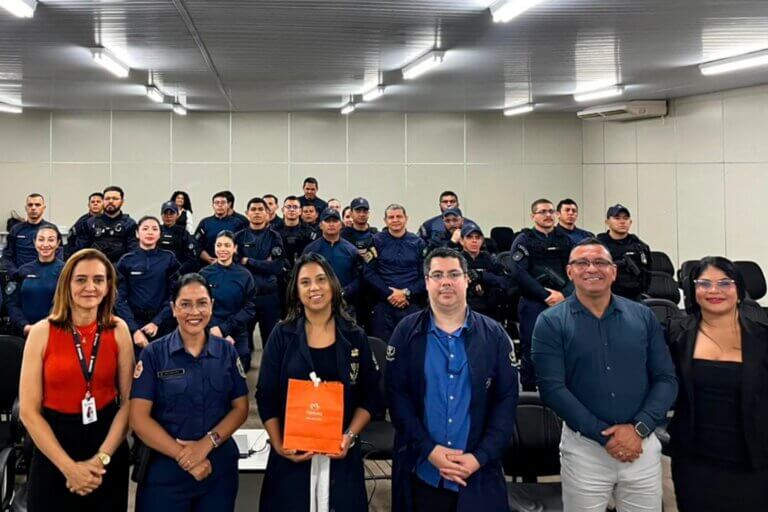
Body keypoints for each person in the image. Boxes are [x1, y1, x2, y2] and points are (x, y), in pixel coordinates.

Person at [532, 238, 678, 512]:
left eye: (600, 262)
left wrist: (640, 428)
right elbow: (552, 389)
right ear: (570, 271)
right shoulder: (550, 322)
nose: (592, 268)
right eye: (582, 263)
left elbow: (665, 378)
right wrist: (605, 437)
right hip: (584, 449)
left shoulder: (643, 316)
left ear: (613, 271)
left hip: (641, 445)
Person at [386, 247, 519, 512]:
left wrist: (479, 457)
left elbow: (505, 403)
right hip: (422, 470)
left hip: (478, 474)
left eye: (454, 274)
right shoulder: (406, 332)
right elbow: (397, 398)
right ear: (426, 282)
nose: (446, 281)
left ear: (467, 279)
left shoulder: (494, 335)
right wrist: (429, 450)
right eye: (437, 275)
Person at [256, 253, 382, 512]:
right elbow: (265, 395)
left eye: (321, 279)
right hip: (292, 456)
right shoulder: (282, 335)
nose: (314, 287)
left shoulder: (354, 336)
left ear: (333, 284)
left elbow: (371, 397)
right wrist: (279, 445)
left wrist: (349, 436)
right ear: (296, 290)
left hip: (341, 456)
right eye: (305, 282)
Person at [19, 248, 134, 511]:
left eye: (98, 279)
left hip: (105, 442)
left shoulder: (118, 330)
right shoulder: (41, 332)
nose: (90, 287)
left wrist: (100, 460)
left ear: (108, 286)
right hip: (53, 444)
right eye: (81, 279)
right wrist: (69, 468)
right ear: (67, 284)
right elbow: (28, 411)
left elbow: (129, 402)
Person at [130, 273, 249, 512]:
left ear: (211, 306)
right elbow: (138, 418)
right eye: (185, 304)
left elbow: (241, 408)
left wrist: (205, 444)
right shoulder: (154, 354)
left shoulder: (227, 352)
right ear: (173, 309)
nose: (194, 312)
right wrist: (184, 456)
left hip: (216, 469)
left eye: (202, 303)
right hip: (165, 470)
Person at [666, 256, 768, 511]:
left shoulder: (763, 338)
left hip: (754, 459)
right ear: (693, 290)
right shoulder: (676, 336)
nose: (714, 291)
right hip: (694, 461)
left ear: (739, 289)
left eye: (724, 283)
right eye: (704, 283)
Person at [510, 198, 573, 390]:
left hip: (562, 302)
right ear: (533, 216)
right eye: (543, 212)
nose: (548, 215)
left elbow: (577, 270)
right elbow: (519, 273)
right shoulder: (523, 240)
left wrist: (564, 294)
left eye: (551, 211)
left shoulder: (565, 240)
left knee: (564, 347)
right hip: (534, 302)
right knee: (532, 348)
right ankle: (529, 392)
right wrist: (545, 295)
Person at [115, 216, 180, 354]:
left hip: (163, 324)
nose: (150, 232)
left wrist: (157, 321)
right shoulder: (126, 261)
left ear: (160, 234)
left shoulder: (169, 258)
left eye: (154, 229)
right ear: (137, 233)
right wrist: (134, 330)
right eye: (145, 229)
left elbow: (174, 295)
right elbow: (119, 299)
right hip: (134, 324)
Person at [364, 204, 426, 341]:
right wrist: (389, 293)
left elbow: (425, 276)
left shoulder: (418, 243)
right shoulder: (376, 241)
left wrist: (407, 293)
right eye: (391, 217)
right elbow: (369, 273)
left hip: (411, 304)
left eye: (399, 216)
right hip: (384, 304)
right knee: (383, 348)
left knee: (414, 346)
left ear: (406, 219)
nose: (395, 220)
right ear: (385, 221)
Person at [200, 231, 257, 370]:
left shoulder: (245, 275)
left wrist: (225, 329)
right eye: (219, 245)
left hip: (237, 330)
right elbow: (200, 306)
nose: (222, 249)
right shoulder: (204, 274)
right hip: (210, 328)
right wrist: (216, 330)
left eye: (227, 245)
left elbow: (250, 308)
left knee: (241, 367)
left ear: (235, 248)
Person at [234, 197, 285, 351]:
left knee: (271, 344)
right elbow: (236, 267)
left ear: (267, 213)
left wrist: (248, 261)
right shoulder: (238, 237)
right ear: (247, 213)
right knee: (244, 346)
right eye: (253, 209)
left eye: (260, 209)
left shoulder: (274, 237)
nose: (257, 213)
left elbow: (276, 267)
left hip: (269, 296)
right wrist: (264, 263)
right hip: (245, 297)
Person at [7, 223, 65, 336]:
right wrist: (24, 326)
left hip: (55, 331)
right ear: (34, 242)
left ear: (58, 243)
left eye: (51, 240)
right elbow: (12, 303)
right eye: (41, 239)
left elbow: (68, 304)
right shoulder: (23, 270)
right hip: (25, 332)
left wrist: (46, 327)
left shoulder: (65, 271)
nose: (45, 244)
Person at [302, 208, 362, 308]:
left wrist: (344, 292)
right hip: (317, 303)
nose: (331, 224)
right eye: (327, 221)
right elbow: (303, 278)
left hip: (345, 304)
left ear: (341, 225)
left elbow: (359, 278)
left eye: (335, 221)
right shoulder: (310, 250)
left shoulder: (351, 250)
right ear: (321, 225)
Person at [597, 205, 653, 301]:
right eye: (617, 218)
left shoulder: (640, 246)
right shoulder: (597, 246)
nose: (622, 222)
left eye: (625, 218)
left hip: (635, 298)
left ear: (630, 222)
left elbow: (647, 274)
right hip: (605, 298)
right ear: (607, 222)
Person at [458, 225, 509, 321]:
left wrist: (482, 276)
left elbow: (505, 282)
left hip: (490, 309)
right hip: (465, 309)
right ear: (461, 241)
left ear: (482, 240)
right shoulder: (456, 260)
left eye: (477, 238)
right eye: (469, 237)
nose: (474, 241)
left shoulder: (490, 259)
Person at [76, 186, 138, 263]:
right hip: (94, 264)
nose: (110, 201)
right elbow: (81, 251)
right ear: (103, 201)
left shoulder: (129, 224)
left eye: (115, 198)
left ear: (122, 202)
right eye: (107, 199)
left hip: (121, 267)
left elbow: (133, 252)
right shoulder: (90, 223)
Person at [194, 191, 248, 266]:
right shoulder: (205, 222)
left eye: (223, 203)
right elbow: (196, 244)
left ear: (228, 205)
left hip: (232, 265)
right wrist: (209, 259)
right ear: (213, 205)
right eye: (217, 203)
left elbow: (241, 245)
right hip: (208, 265)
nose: (220, 205)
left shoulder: (237, 223)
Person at [3, 193, 50, 274]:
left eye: (37, 205)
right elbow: (7, 256)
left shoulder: (51, 230)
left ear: (43, 208)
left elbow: (58, 257)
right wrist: (15, 273)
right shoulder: (15, 229)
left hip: (44, 276)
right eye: (30, 205)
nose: (33, 208)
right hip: (21, 277)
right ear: (26, 208)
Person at [159, 201, 199, 274]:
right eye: (165, 213)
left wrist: (178, 273)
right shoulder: (156, 231)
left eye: (171, 213)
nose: (168, 216)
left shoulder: (183, 232)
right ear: (161, 215)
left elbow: (192, 258)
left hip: (178, 274)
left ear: (177, 215)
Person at [65, 192, 104, 259]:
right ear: (89, 205)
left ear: (104, 204)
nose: (95, 204)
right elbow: (71, 239)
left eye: (98, 202)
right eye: (93, 202)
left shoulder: (108, 220)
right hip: (83, 255)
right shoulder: (82, 221)